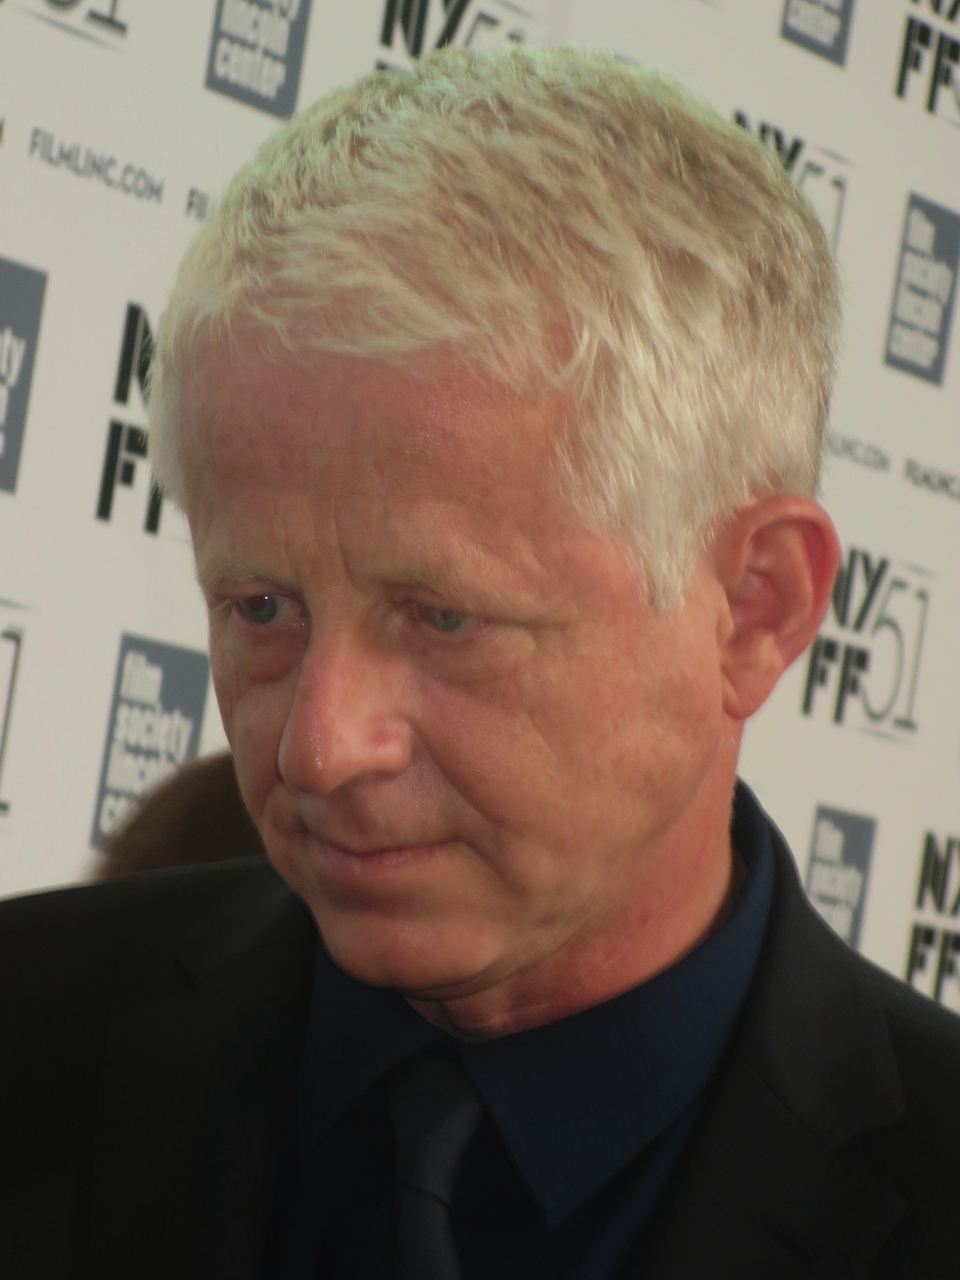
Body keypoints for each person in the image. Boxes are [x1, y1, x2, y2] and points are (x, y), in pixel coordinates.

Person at [3, 45, 960, 1280]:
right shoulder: (26, 1025)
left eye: (443, 617)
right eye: (262, 604)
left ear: (752, 607)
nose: (319, 745)